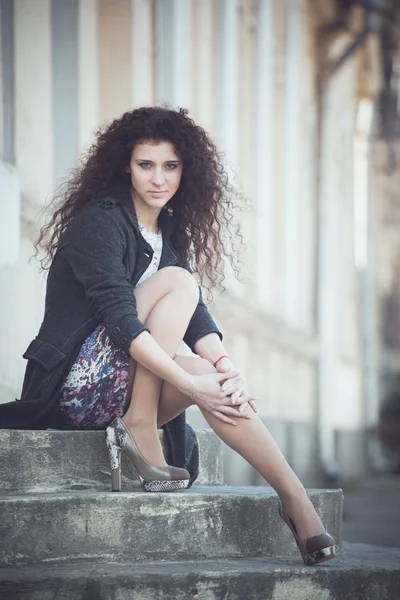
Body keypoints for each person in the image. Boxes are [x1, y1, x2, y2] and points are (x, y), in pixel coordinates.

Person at [0, 106, 336, 566]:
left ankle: (295, 501)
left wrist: (223, 368)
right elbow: (121, 319)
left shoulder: (165, 231)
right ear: (125, 165)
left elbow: (196, 317)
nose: (159, 178)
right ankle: (139, 424)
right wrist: (188, 383)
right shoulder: (99, 223)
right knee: (180, 284)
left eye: (170, 166)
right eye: (146, 165)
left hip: (117, 385)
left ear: (186, 169)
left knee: (211, 373)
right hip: (72, 386)